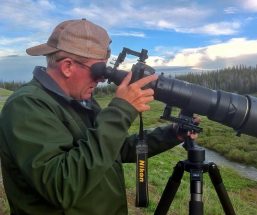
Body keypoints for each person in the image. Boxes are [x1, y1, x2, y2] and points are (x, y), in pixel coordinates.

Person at [0, 19, 198, 215]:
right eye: (98, 70)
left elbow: (112, 149)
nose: (102, 79)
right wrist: (121, 111)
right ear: (67, 66)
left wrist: (172, 134)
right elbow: (61, 185)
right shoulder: (26, 106)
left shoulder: (79, 98)